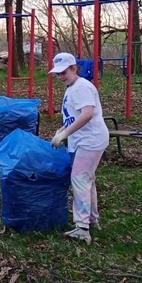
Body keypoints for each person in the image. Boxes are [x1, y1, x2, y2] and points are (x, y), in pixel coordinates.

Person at [49, 52, 110, 244]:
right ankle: (92, 219)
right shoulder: (72, 87)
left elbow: (87, 114)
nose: (60, 76)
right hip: (82, 140)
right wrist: (62, 129)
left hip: (90, 141)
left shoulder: (82, 87)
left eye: (64, 72)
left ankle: (82, 227)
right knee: (87, 180)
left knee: (80, 180)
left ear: (74, 68)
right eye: (57, 74)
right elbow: (74, 116)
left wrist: (65, 134)